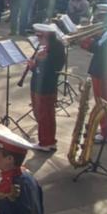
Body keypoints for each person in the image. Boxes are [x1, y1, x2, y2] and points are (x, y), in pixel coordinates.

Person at [28, 23, 67, 152]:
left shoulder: (54, 50)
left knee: (44, 116)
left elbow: (50, 71)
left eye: (40, 37)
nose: (38, 40)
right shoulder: (51, 47)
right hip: (42, 87)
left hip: (45, 88)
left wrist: (35, 66)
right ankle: (49, 141)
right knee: (45, 115)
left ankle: (46, 142)